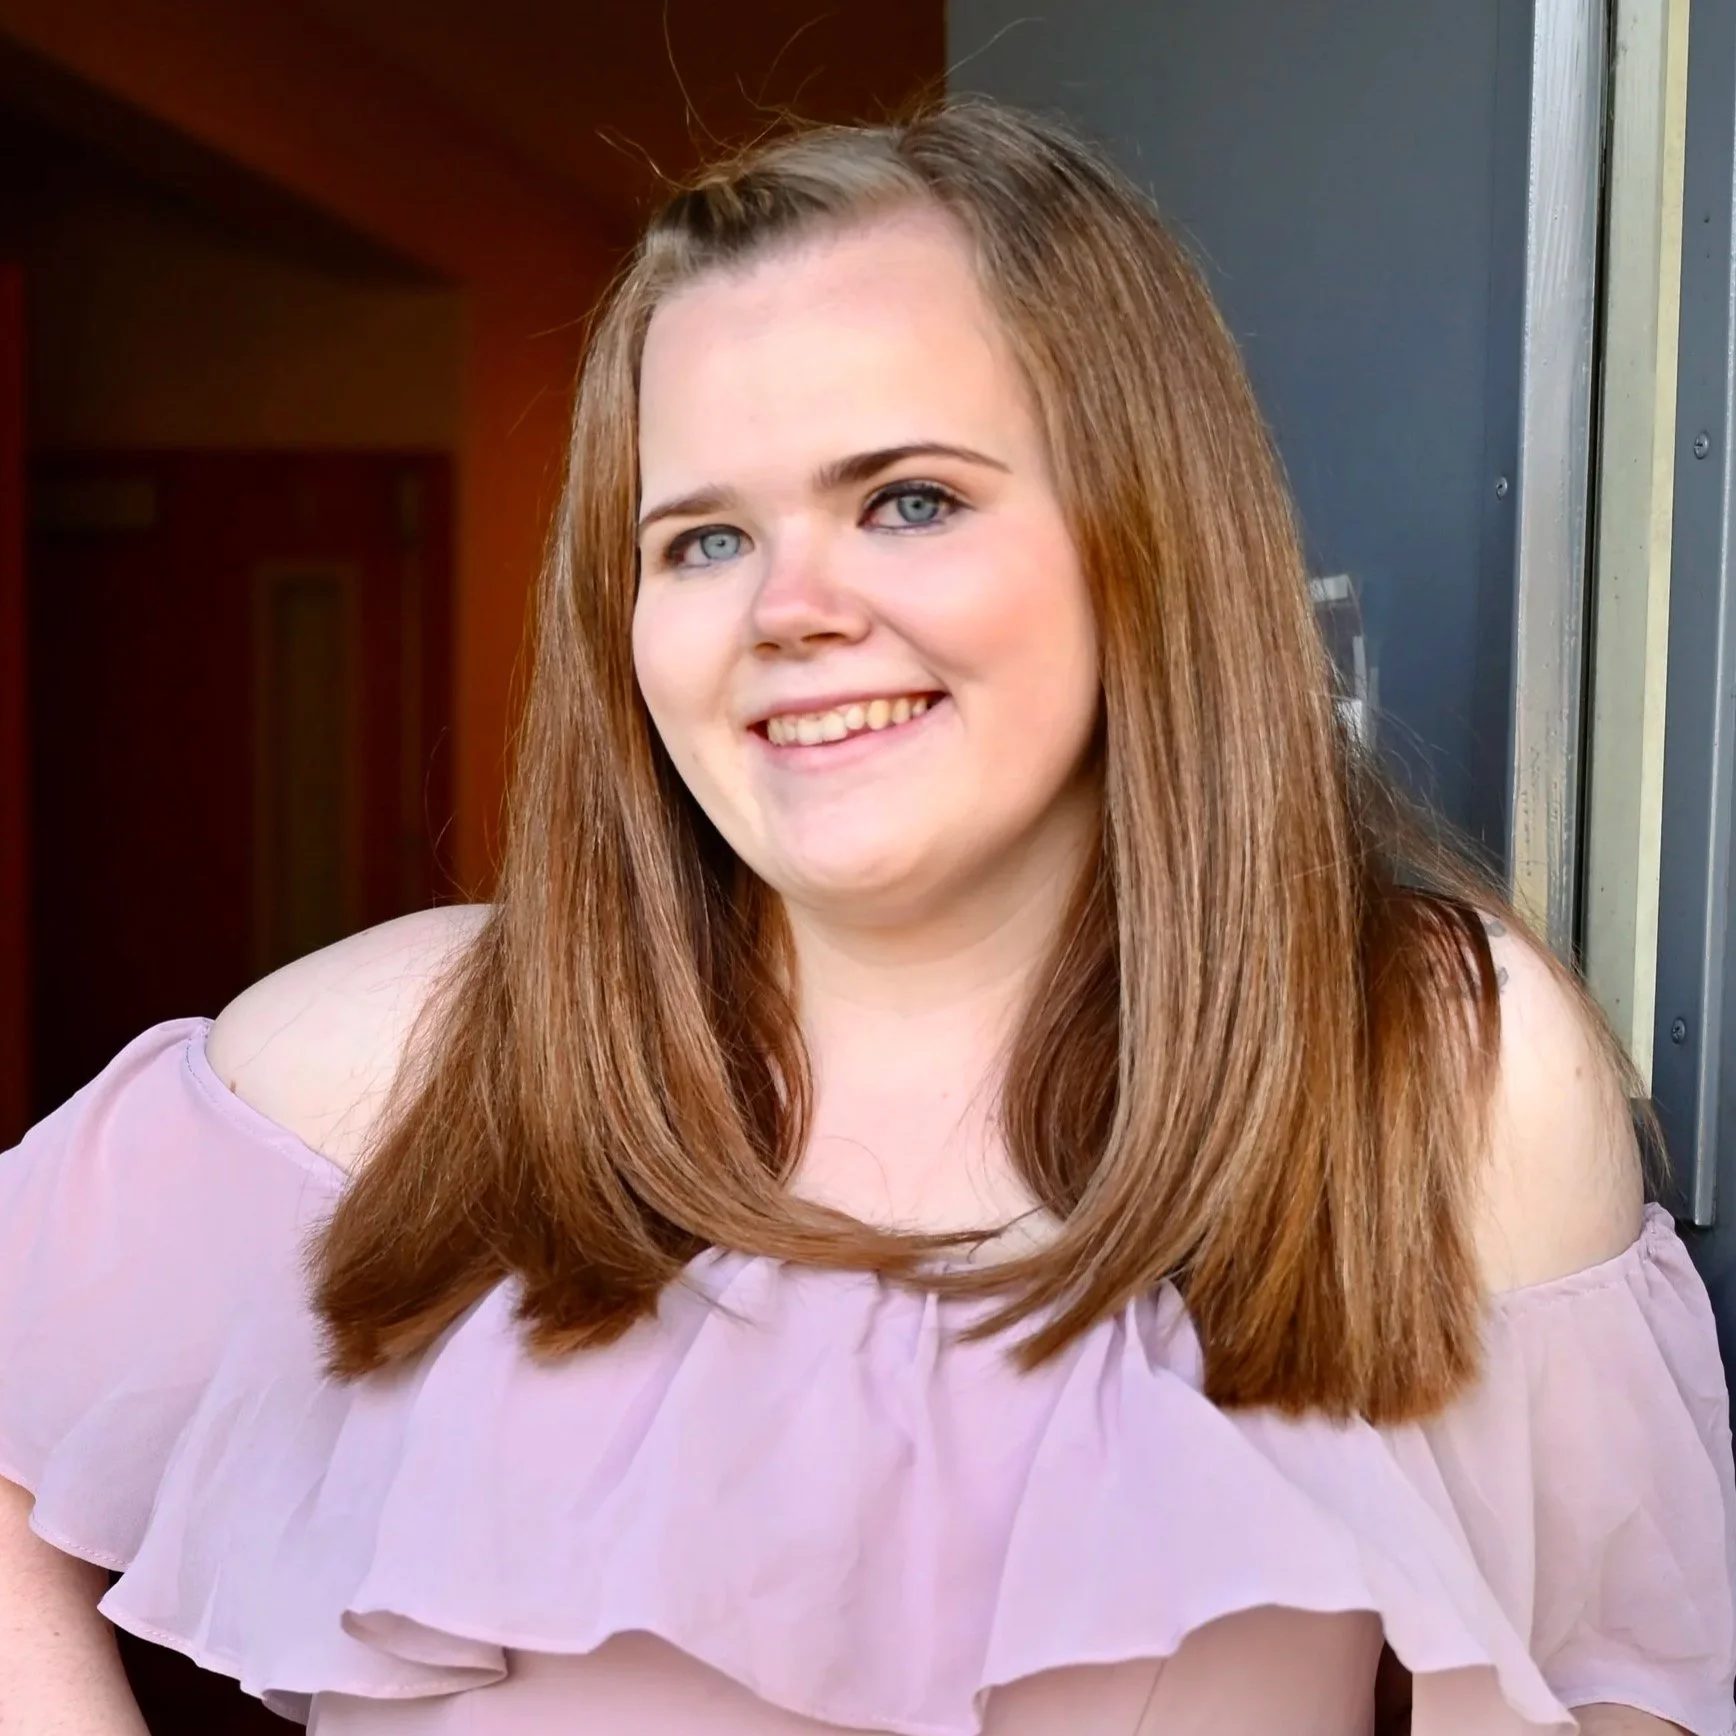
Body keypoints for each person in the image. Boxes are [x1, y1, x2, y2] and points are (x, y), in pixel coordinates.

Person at [1, 98, 1731, 1736]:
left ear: (1147, 539)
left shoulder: (1435, 1071)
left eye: (908, 499)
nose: (789, 609)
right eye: (698, 541)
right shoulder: (401, 1056)